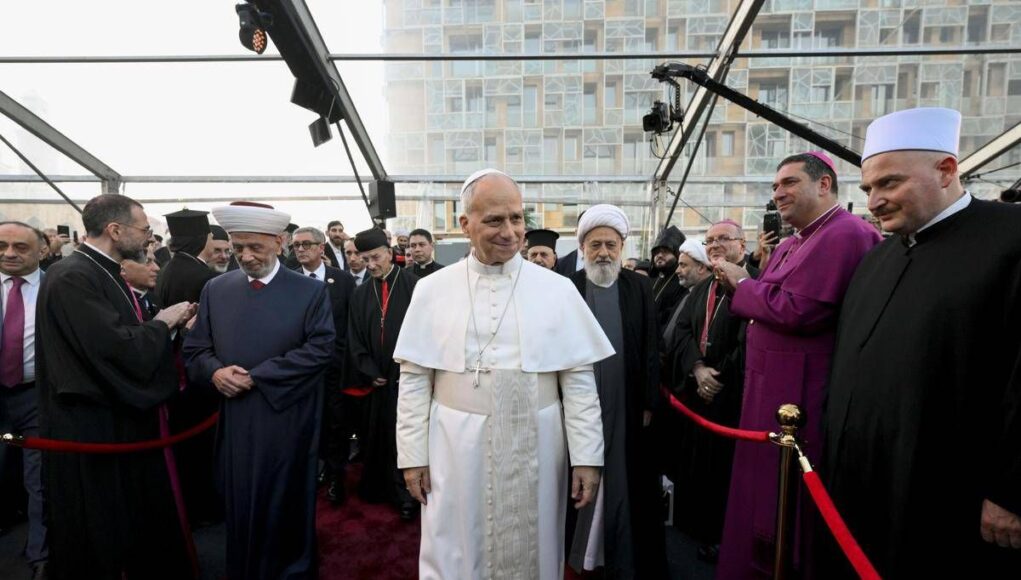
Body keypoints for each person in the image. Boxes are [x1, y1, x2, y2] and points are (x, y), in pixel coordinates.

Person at [822, 108, 1021, 578]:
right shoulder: (877, 259)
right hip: (862, 486)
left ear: (947, 170)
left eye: (889, 184)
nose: (874, 201)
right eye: (869, 188)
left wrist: (1012, 491)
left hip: (954, 497)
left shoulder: (1011, 239)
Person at [394, 168, 611, 579]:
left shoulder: (557, 290)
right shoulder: (432, 290)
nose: (510, 232)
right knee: (455, 544)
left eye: (517, 218)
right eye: (495, 220)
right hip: (455, 444)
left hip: (539, 440)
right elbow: (416, 379)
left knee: (535, 546)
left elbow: (579, 382)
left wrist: (587, 457)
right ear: (465, 224)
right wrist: (412, 457)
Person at [711, 151, 882, 579]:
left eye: (788, 183)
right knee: (756, 494)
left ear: (824, 184)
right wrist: (743, 284)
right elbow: (765, 300)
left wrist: (741, 282)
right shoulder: (792, 241)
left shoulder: (846, 234)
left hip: (800, 393)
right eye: (774, 187)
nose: (778, 193)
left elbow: (800, 311)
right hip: (767, 386)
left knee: (786, 504)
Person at [36, 194, 196, 580]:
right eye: (144, 230)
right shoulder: (75, 276)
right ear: (115, 230)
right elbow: (114, 348)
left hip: (110, 421)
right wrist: (166, 323)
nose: (148, 238)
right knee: (100, 526)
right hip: (91, 426)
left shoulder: (100, 270)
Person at [183, 201, 334, 580]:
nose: (246, 257)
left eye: (256, 248)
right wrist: (216, 373)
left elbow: (320, 349)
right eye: (238, 248)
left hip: (288, 416)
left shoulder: (309, 291)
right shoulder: (215, 289)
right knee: (241, 499)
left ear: (280, 243)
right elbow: (195, 350)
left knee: (286, 499)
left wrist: (258, 376)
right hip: (236, 419)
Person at [566, 205, 666, 578]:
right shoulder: (570, 286)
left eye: (610, 244)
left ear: (622, 246)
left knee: (623, 476)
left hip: (626, 400)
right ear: (583, 248)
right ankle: (582, 552)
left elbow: (652, 345)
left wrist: (648, 400)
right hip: (581, 402)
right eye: (595, 245)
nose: (603, 252)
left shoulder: (639, 286)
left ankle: (621, 553)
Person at [668, 221, 760, 564]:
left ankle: (723, 537)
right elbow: (681, 330)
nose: (716, 245)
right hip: (698, 390)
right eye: (709, 240)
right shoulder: (704, 285)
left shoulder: (754, 283)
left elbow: (752, 338)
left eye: (724, 238)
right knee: (696, 465)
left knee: (725, 472)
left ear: (742, 244)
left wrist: (717, 378)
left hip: (731, 396)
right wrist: (697, 368)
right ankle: (695, 526)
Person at [154, 209, 221, 525]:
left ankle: (189, 506)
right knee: (200, 448)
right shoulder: (203, 276)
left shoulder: (168, 268)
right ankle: (204, 507)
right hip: (195, 371)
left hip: (174, 368)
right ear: (205, 238)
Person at [347, 227, 420, 518]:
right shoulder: (361, 293)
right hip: (377, 380)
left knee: (404, 438)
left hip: (408, 379)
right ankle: (380, 488)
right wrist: (367, 369)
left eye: (376, 257)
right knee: (378, 436)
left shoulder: (415, 286)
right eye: (365, 260)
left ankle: (406, 496)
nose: (371, 265)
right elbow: (354, 336)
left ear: (390, 253)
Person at [290, 226, 356, 506]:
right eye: (296, 246)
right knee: (306, 424)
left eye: (307, 244)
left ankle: (336, 477)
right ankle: (314, 471)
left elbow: (352, 325)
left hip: (335, 368)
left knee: (336, 425)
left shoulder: (342, 281)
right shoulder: (289, 281)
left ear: (321, 247)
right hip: (302, 369)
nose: (301, 249)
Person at [0, 222, 49, 579]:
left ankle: (41, 555)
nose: (9, 253)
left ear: (41, 252)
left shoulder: (59, 287)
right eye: (2, 246)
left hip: (38, 395)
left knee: (40, 479)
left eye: (20, 247)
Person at [155, 209, 215, 308]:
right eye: (211, 237)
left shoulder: (165, 268)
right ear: (203, 239)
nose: (213, 242)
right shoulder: (205, 276)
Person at [649, 225, 687, 334]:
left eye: (665, 251)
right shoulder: (652, 278)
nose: (659, 255)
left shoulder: (683, 282)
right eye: (656, 252)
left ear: (677, 254)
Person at [121, 242, 161, 319]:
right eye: (148, 262)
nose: (157, 268)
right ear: (123, 269)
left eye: (154, 261)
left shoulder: (154, 298)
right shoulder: (119, 304)